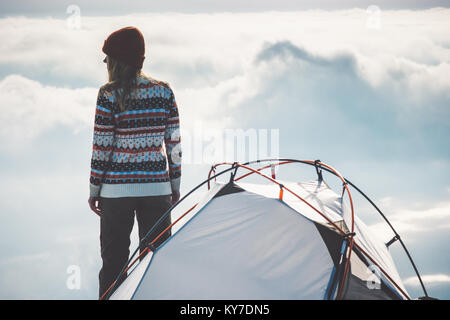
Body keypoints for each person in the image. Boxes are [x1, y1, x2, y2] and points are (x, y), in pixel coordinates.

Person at [87, 26, 182, 299]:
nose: (105, 63)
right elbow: (173, 144)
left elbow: (102, 148)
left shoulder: (108, 95)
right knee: (156, 262)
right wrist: (173, 184)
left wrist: (95, 190)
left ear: (117, 60)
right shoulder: (164, 92)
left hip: (116, 193)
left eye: (107, 57)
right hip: (157, 189)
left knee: (114, 264)